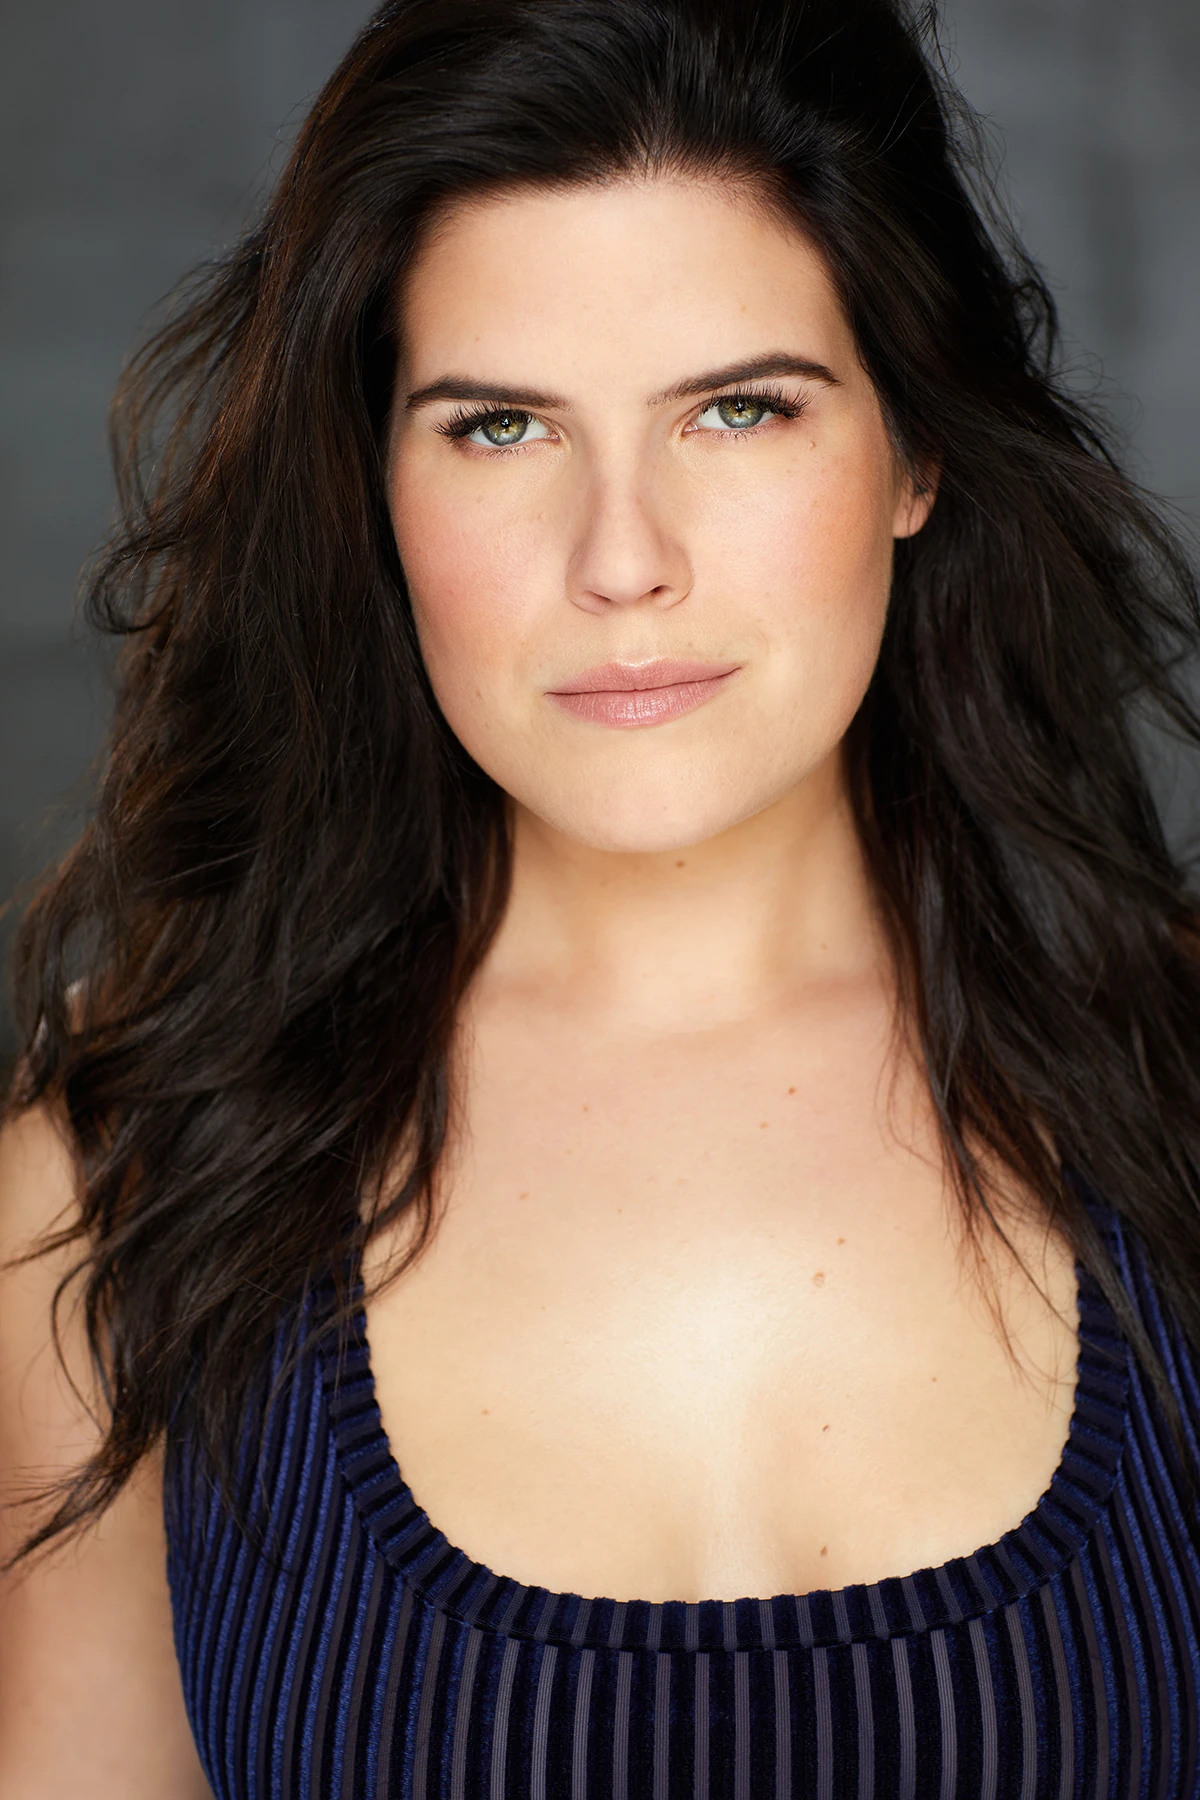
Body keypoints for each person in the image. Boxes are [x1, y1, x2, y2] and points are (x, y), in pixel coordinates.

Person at [3, 0, 1200, 1792]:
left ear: (915, 452)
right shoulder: (114, 1181)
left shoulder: (1178, 1081)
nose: (622, 559)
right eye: (501, 428)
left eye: (738, 409)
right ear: (373, 485)